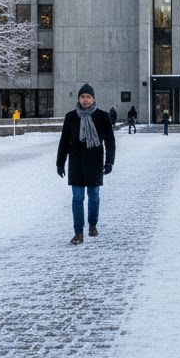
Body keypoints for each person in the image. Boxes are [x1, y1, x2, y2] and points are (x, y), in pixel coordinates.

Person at [56, 84, 116, 245]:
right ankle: (78, 233)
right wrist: (60, 163)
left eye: (88, 97)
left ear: (93, 99)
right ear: (78, 98)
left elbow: (110, 140)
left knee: (94, 197)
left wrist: (109, 161)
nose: (85, 99)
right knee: (77, 198)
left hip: (94, 161)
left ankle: (92, 225)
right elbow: (64, 141)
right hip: (75, 161)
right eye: (82, 96)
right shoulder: (71, 117)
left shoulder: (103, 116)